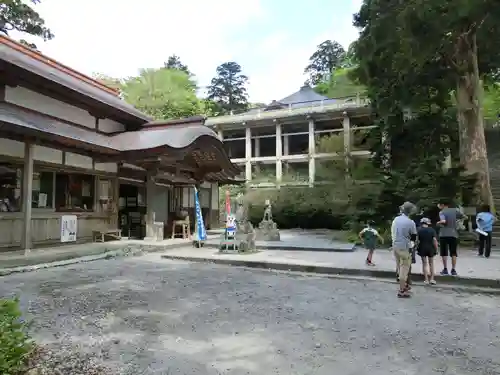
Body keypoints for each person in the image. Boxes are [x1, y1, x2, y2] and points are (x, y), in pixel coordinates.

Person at [391, 201, 417, 298]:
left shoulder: (395, 219)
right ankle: (402, 290)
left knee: (399, 266)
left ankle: (404, 286)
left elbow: (393, 233)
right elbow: (413, 237)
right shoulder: (411, 222)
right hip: (404, 247)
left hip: (395, 246)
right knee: (404, 268)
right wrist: (412, 247)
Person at [437, 200, 466, 276]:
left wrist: (438, 222)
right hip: (453, 234)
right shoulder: (455, 210)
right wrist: (457, 222)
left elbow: (443, 221)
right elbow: (464, 216)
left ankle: (445, 269)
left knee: (444, 252)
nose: (439, 206)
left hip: (443, 234)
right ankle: (453, 270)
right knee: (453, 252)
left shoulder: (442, 212)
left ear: (443, 205)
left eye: (439, 205)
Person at [417, 217, 438, 285]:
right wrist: (436, 248)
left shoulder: (419, 230)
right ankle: (432, 279)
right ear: (428, 223)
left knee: (424, 264)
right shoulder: (432, 230)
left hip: (422, 248)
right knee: (431, 264)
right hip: (430, 248)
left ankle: (426, 279)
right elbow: (434, 240)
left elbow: (417, 241)